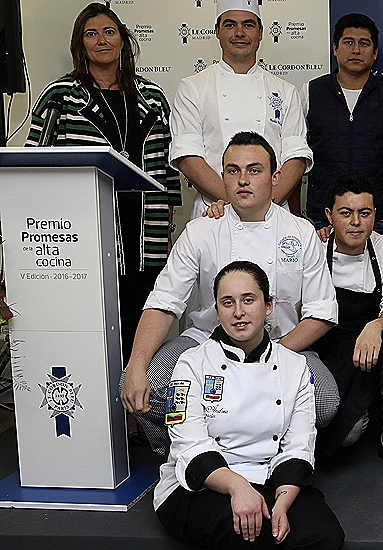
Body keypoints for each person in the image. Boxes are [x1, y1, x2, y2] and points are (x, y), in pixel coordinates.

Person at [120, 132, 339, 455]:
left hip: (282, 343)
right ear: (222, 177)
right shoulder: (201, 230)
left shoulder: (300, 232)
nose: (243, 180)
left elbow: (321, 313)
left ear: (275, 178)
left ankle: (266, 454)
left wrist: (266, 355)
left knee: (324, 401)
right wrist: (136, 365)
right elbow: (163, 303)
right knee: (143, 384)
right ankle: (192, 455)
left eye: (254, 170)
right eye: (233, 171)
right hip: (206, 341)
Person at [26, 2, 180, 363]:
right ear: (80, 44)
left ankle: (137, 396)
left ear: (123, 40)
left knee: (143, 327)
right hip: (89, 233)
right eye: (91, 34)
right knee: (94, 333)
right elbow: (34, 165)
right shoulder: (61, 96)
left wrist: (168, 229)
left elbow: (167, 169)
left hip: (147, 232)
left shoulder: (152, 97)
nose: (101, 40)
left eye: (109, 32)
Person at [153, 261, 345, 550]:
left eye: (248, 300)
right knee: (248, 537)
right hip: (204, 481)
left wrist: (282, 504)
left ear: (268, 306)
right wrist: (238, 487)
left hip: (270, 475)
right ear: (217, 311)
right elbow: (188, 446)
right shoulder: (191, 363)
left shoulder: (295, 366)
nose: (238, 312)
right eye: (227, 303)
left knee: (324, 536)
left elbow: (299, 444)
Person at [311, 173, 383, 477]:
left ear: (375, 214)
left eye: (364, 213)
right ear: (329, 215)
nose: (356, 222)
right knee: (347, 435)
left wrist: (375, 327)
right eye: (346, 213)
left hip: (373, 347)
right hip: (330, 346)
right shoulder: (315, 250)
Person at [170, 0, 312, 218]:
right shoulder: (193, 88)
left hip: (272, 214)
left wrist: (263, 205)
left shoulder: (285, 91)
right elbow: (189, 158)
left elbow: (296, 156)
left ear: (260, 33)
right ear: (217, 31)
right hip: (215, 212)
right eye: (230, 25)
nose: (239, 33)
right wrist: (239, 204)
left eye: (248, 24)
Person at [300, 13, 383, 234]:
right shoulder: (310, 93)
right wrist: (296, 213)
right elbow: (295, 156)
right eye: (348, 42)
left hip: (378, 220)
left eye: (364, 44)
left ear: (375, 52)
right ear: (335, 48)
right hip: (322, 220)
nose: (356, 50)